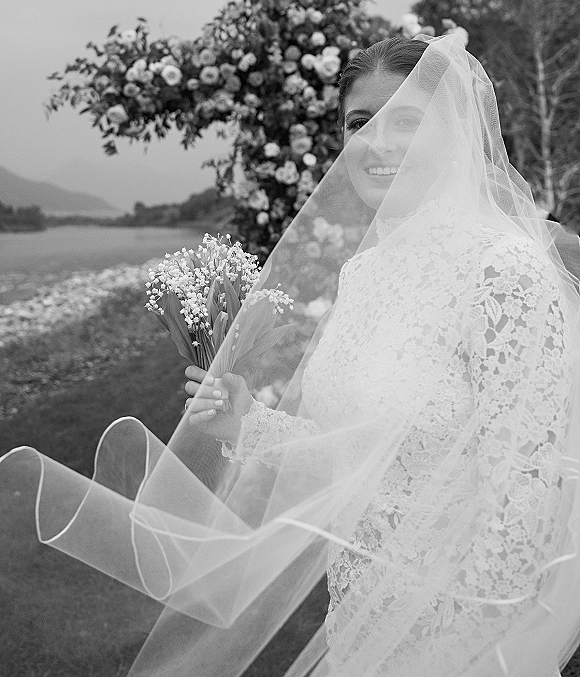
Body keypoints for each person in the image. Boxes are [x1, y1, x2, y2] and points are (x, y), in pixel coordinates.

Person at [1, 34, 580, 677]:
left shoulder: (504, 273)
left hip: (461, 630)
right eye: (360, 124)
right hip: (359, 617)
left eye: (407, 121)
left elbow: (528, 496)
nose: (379, 143)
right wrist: (245, 422)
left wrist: (456, 645)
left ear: (457, 135)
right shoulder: (368, 274)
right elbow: (348, 454)